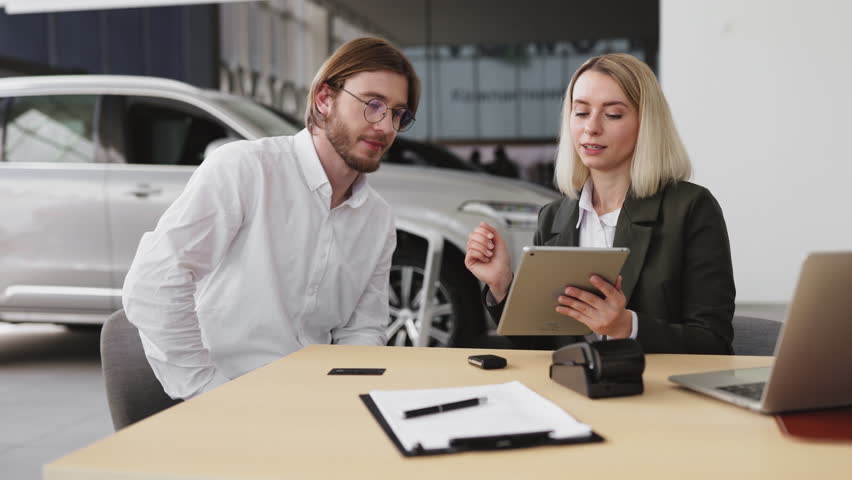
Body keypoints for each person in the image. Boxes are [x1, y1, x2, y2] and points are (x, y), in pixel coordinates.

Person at [123, 37, 420, 400]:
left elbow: (364, 329)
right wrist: (209, 392)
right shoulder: (246, 169)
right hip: (227, 395)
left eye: (397, 114)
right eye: (373, 104)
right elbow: (154, 281)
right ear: (325, 99)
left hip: (314, 401)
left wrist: (350, 399)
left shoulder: (377, 218)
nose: (386, 127)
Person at [464, 53, 735, 354]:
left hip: (656, 394)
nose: (591, 128)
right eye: (581, 113)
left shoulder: (691, 209)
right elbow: (544, 344)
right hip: (575, 392)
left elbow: (713, 343)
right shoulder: (554, 216)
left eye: (613, 114)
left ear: (647, 124)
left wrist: (627, 327)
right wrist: (502, 285)